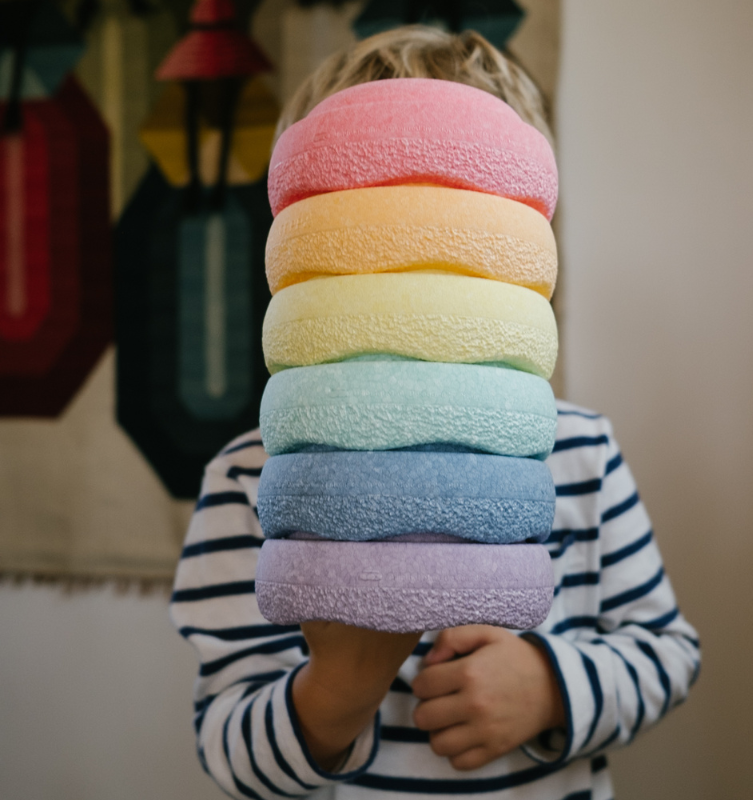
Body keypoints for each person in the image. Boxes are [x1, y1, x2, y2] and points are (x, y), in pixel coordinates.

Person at [169, 25, 701, 800]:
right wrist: (338, 689)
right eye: (372, 220)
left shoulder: (579, 454)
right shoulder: (254, 479)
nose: (413, 251)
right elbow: (229, 745)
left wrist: (552, 687)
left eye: (457, 223)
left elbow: (666, 652)